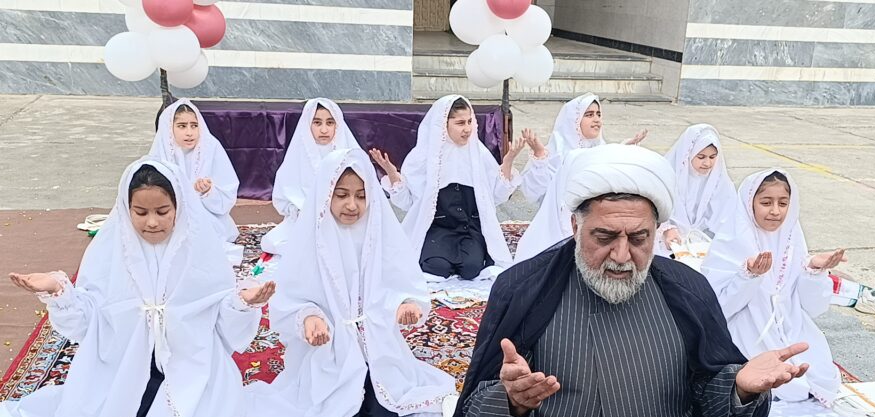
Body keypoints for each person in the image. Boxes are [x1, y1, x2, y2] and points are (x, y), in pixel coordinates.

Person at [449, 144, 812, 417]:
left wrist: (739, 388)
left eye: (639, 239)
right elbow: (474, 413)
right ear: (575, 226)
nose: (622, 256)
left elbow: (709, 393)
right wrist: (511, 403)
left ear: (657, 232)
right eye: (604, 238)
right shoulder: (523, 291)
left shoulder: (687, 291)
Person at [0, 159, 273, 417]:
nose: (152, 222)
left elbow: (221, 324)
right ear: (126, 209)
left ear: (179, 207)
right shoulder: (109, 251)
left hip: (189, 364)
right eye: (141, 212)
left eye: (162, 211)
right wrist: (59, 291)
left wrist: (242, 303)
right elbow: (87, 322)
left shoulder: (201, 251)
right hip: (123, 365)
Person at [243, 149, 454, 417]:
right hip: (331, 347)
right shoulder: (310, 240)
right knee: (336, 406)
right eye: (341, 195)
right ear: (325, 195)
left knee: (384, 404)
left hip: (376, 342)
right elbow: (292, 298)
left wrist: (406, 304)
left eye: (361, 196)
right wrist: (310, 318)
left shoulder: (380, 233)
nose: (352, 205)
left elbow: (400, 281)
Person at [702, 169, 843, 405]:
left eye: (783, 203)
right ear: (750, 203)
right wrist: (749, 277)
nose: (775, 211)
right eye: (766, 203)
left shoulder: (792, 240)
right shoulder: (729, 242)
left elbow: (813, 307)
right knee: (769, 382)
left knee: (820, 375)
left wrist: (814, 271)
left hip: (790, 327)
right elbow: (718, 309)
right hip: (747, 329)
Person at [370, 95, 530, 280]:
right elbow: (408, 203)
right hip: (437, 228)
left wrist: (508, 162)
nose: (467, 129)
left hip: (469, 227)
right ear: (442, 124)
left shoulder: (478, 154)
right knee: (436, 267)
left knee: (471, 268)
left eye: (469, 122)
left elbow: (496, 196)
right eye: (460, 123)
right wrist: (392, 175)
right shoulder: (421, 157)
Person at [513, 94, 648, 264]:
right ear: (574, 120)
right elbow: (534, 192)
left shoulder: (602, 149)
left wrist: (623, 151)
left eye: (598, 114)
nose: (596, 120)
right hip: (560, 223)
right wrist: (540, 157)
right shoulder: (557, 152)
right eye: (589, 115)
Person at [261, 98, 363, 255]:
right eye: (317, 123)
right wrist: (300, 210)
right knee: (276, 242)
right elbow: (283, 197)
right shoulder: (297, 155)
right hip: (307, 221)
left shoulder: (349, 154)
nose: (324, 130)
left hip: (345, 218)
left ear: (338, 125)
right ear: (308, 125)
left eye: (330, 123)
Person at [150, 99, 242, 265]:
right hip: (169, 215)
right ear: (169, 128)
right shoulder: (161, 152)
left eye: (194, 125)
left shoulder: (211, 147)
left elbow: (227, 193)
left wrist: (208, 191)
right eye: (182, 126)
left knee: (199, 240)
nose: (189, 132)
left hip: (206, 215)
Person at [657, 124, 736, 258]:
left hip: (704, 246)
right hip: (669, 242)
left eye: (712, 157)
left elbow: (728, 217)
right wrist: (667, 229)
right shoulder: (667, 177)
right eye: (701, 157)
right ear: (687, 154)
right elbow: (654, 210)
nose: (707, 163)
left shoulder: (721, 183)